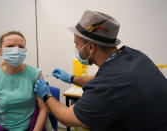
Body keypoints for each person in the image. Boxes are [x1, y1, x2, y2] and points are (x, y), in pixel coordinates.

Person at [34, 10, 167, 131]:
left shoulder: (109, 84)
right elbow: (100, 79)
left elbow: (67, 118)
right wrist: (71, 78)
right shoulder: (133, 55)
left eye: (77, 44)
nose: (76, 48)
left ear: (91, 47)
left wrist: (46, 95)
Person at [0, 31, 48, 131]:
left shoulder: (35, 74)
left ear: (25, 50)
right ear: (0, 51)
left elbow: (43, 109)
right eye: (10, 46)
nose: (16, 50)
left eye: (20, 47)